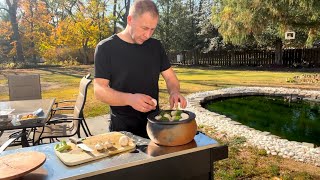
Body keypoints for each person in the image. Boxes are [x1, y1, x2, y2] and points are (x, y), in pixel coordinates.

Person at [94, 0, 187, 138]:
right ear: (130, 20)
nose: (148, 35)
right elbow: (99, 90)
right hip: (122, 131)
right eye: (144, 28)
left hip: (154, 127)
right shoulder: (106, 48)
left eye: (152, 29)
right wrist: (130, 99)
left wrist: (174, 92)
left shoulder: (156, 47)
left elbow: (170, 77)